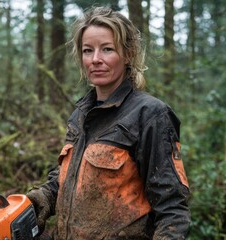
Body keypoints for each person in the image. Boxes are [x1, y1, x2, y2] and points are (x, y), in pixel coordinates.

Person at [26, 6, 191, 240]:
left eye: (107, 49)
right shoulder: (81, 114)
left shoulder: (150, 114)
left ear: (128, 53)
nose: (95, 59)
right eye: (87, 50)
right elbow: (70, 177)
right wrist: (44, 196)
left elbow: (172, 209)